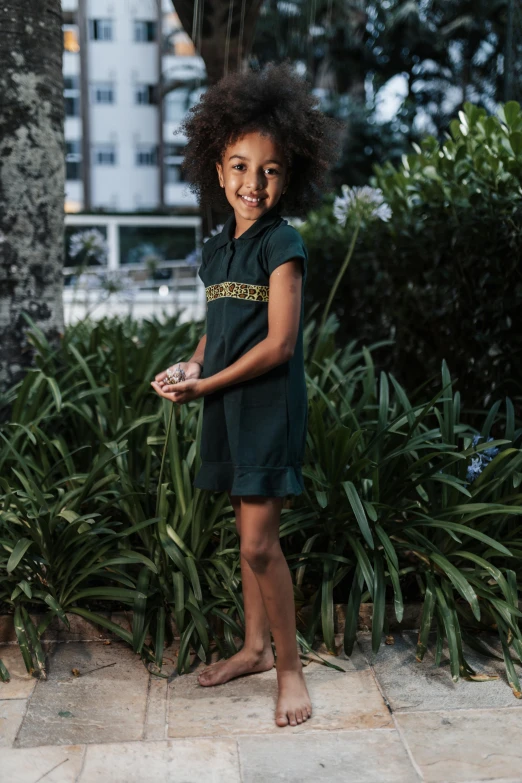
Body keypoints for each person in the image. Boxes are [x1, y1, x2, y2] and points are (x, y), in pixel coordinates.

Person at [151, 61, 340, 728]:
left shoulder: (281, 243)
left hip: (263, 408)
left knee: (262, 544)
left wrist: (208, 382)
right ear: (216, 166)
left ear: (290, 175)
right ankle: (254, 648)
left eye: (269, 170)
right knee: (246, 537)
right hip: (226, 403)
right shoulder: (216, 250)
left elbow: (279, 345)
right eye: (238, 166)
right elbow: (217, 335)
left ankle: (289, 669)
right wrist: (186, 366)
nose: (253, 183)